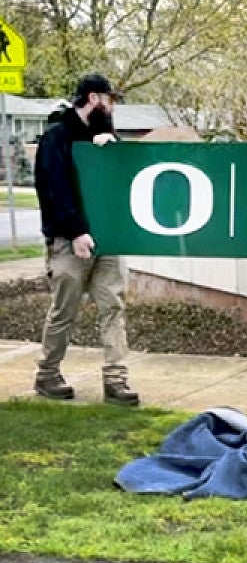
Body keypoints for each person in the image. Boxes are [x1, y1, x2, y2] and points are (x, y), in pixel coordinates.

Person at [32, 73, 139, 406]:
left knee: (113, 307)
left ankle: (116, 381)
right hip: (69, 242)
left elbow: (121, 182)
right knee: (64, 311)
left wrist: (112, 147)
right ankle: (48, 374)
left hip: (107, 240)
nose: (112, 106)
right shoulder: (56, 138)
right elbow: (54, 191)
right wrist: (76, 231)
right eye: (109, 100)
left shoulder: (104, 136)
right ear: (94, 98)